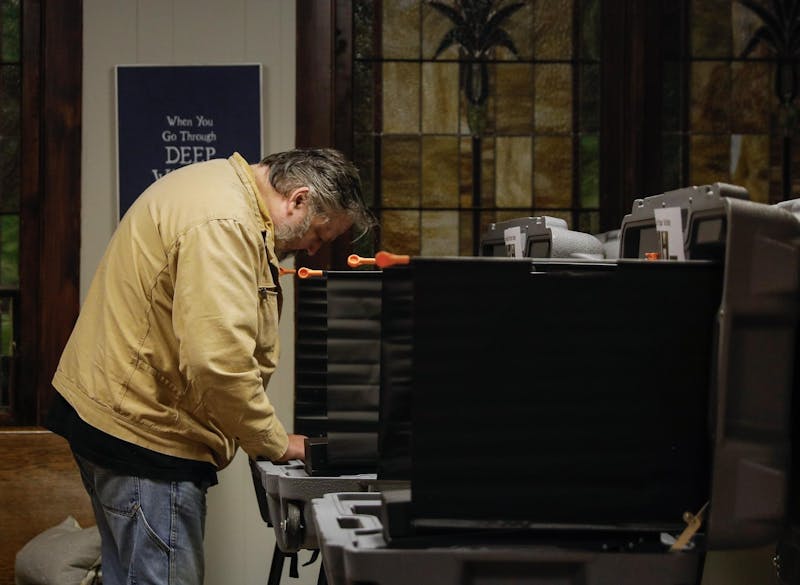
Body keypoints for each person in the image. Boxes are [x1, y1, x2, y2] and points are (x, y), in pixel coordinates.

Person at [46, 148, 374, 585]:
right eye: (319, 234)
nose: (312, 250)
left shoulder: (216, 184)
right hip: (146, 436)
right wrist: (276, 443)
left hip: (109, 416)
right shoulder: (226, 224)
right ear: (298, 199)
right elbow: (219, 365)